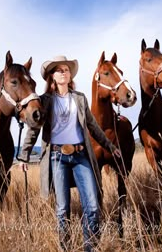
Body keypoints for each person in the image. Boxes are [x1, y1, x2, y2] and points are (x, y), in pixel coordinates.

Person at [18, 55, 121, 252]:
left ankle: (90, 247)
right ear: (52, 77)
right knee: (62, 209)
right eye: (59, 70)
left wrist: (110, 146)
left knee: (92, 206)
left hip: (81, 156)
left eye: (66, 69)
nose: (63, 72)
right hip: (57, 158)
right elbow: (34, 129)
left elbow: (93, 126)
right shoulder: (45, 101)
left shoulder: (79, 98)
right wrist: (24, 155)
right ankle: (65, 248)